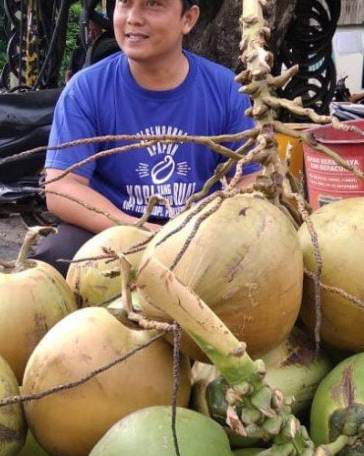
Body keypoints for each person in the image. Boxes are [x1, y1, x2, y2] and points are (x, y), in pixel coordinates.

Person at [33, 0, 260, 276]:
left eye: (153, 5)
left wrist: (201, 229)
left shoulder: (225, 89)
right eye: (125, 4)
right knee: (56, 255)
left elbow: (251, 178)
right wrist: (138, 230)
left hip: (200, 235)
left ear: (187, 19)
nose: (133, 18)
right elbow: (61, 188)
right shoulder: (86, 90)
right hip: (111, 229)